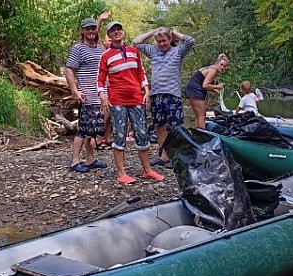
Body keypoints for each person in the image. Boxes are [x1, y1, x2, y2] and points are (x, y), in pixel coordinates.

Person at [98, 20, 165, 185]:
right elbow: (100, 79)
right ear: (109, 35)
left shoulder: (134, 51)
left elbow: (140, 73)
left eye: (119, 29)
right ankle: (122, 173)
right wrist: (102, 96)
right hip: (117, 100)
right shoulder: (105, 56)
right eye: (113, 31)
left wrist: (147, 90)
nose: (116, 32)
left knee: (142, 133)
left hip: (136, 98)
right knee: (119, 135)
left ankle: (147, 170)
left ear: (123, 31)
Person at [132, 26, 196, 168]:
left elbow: (191, 41)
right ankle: (163, 156)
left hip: (172, 94)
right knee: (159, 126)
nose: (161, 44)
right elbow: (136, 42)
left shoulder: (178, 51)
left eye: (164, 41)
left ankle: (176, 156)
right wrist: (153, 32)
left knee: (175, 127)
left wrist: (175, 33)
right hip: (156, 95)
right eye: (159, 41)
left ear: (170, 39)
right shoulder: (153, 51)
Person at [65, 12, 111, 173]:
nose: (91, 31)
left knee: (93, 130)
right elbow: (69, 69)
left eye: (94, 28)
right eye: (88, 29)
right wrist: (74, 90)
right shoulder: (78, 48)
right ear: (83, 31)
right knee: (83, 130)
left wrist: (100, 21)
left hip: (100, 96)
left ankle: (90, 159)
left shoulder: (99, 47)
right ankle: (75, 161)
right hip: (87, 95)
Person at [184, 54, 229, 130]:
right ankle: (202, 135)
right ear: (217, 62)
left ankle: (197, 135)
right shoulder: (213, 70)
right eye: (221, 65)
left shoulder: (210, 68)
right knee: (201, 115)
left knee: (198, 115)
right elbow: (205, 85)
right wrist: (218, 86)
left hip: (191, 88)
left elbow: (204, 83)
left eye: (224, 66)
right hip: (195, 89)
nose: (222, 67)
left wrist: (216, 90)